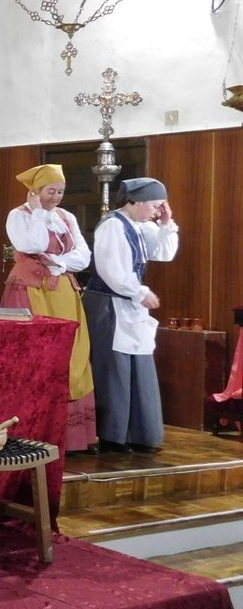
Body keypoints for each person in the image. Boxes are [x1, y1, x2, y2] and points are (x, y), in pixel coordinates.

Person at [3, 164, 97, 454]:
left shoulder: (66, 217)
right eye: (50, 191)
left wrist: (60, 263)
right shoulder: (20, 215)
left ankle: (74, 438)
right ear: (35, 191)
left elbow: (83, 254)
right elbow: (33, 243)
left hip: (64, 292)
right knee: (37, 354)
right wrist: (39, 214)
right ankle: (34, 429)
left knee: (72, 352)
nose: (56, 197)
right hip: (31, 292)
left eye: (60, 191)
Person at [82, 177, 179, 454]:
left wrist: (165, 225)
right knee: (114, 369)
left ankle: (139, 433)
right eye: (155, 205)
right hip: (108, 305)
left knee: (138, 366)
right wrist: (139, 292)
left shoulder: (139, 226)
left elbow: (165, 252)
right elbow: (112, 270)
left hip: (128, 303)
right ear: (136, 201)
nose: (158, 211)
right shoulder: (113, 226)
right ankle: (113, 435)